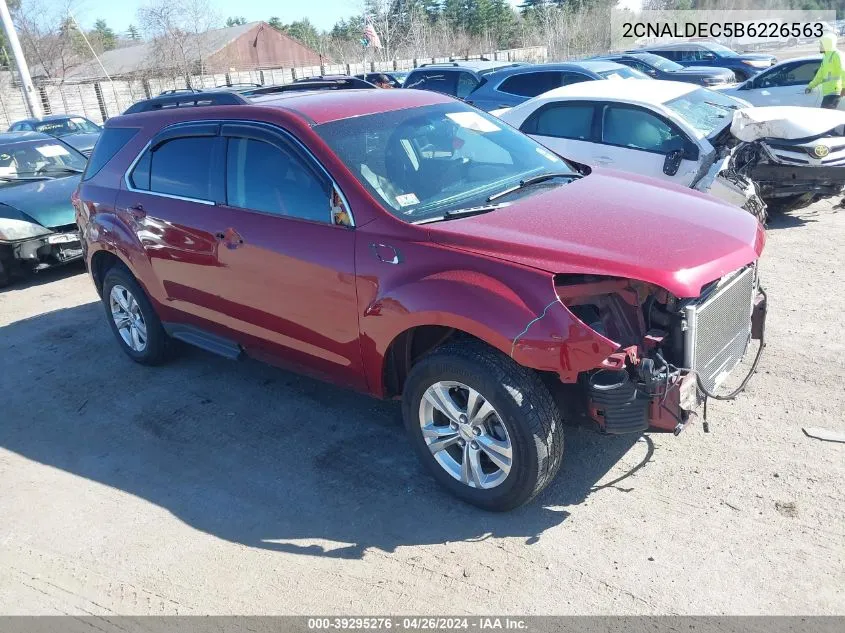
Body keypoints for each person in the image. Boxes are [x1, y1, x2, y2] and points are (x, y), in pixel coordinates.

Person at [806, 32, 845, 109]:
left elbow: (843, 71)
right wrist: (810, 86)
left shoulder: (837, 55)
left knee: (826, 117)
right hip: (828, 93)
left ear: (827, 44)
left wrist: (844, 87)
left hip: (835, 92)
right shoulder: (826, 58)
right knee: (826, 116)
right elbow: (819, 75)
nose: (820, 46)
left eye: (821, 44)